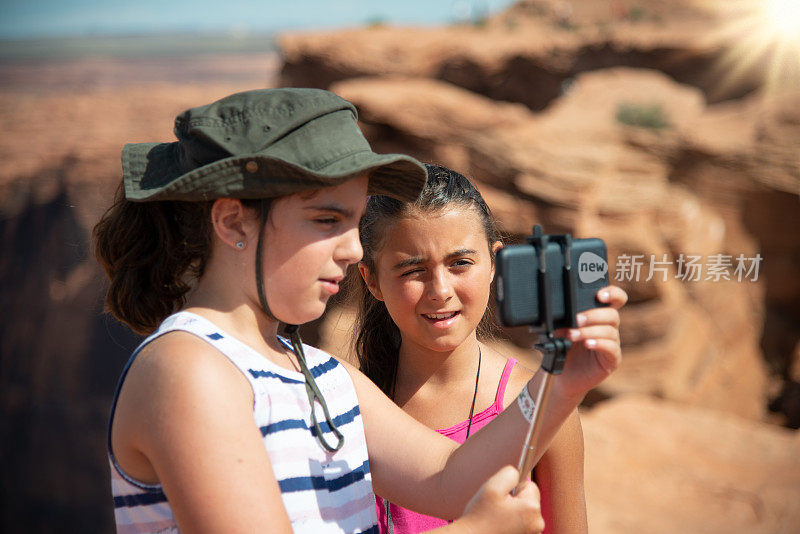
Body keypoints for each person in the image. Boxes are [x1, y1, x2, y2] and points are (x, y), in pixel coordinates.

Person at [93, 88, 622, 533]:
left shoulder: (319, 375)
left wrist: (565, 379)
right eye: (328, 220)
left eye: (355, 223)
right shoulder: (189, 370)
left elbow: (449, 479)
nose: (351, 249)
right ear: (233, 223)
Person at [354, 164, 627, 533]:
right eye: (412, 269)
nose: (440, 290)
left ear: (495, 262)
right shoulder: (348, 409)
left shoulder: (540, 407)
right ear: (371, 280)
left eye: (460, 263)